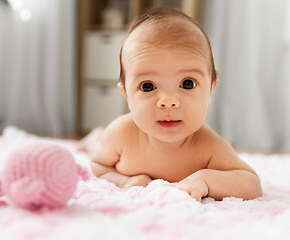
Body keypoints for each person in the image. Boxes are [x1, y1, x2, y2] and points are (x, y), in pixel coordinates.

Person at [79, 7, 262, 201]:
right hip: (107, 142)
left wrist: (206, 179)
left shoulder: (210, 147)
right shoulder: (120, 135)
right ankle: (95, 137)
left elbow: (252, 184)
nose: (168, 102)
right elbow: (99, 166)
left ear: (210, 89)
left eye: (187, 84)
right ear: (126, 94)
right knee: (98, 144)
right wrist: (124, 181)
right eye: (148, 86)